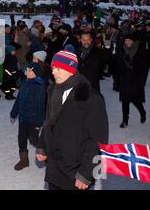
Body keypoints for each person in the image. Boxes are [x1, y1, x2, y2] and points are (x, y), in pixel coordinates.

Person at [36, 50, 109, 190]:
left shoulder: (91, 99)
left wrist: (87, 173)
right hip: (54, 167)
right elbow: (49, 122)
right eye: (53, 68)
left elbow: (98, 141)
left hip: (76, 172)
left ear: (71, 70)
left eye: (58, 69)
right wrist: (42, 146)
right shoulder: (53, 91)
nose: (54, 73)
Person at [10, 63, 46, 171]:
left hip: (33, 119)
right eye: (26, 70)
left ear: (35, 73)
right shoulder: (24, 82)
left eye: (29, 70)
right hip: (23, 117)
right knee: (21, 138)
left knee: (33, 139)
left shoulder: (39, 85)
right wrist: (14, 113)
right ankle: (24, 160)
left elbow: (40, 105)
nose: (26, 71)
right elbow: (18, 99)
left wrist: (38, 123)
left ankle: (46, 152)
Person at [116, 33, 148, 128]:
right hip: (125, 78)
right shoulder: (122, 50)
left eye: (129, 41)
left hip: (135, 79)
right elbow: (118, 65)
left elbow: (143, 66)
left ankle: (142, 112)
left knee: (135, 100)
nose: (127, 42)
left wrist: (132, 62)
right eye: (126, 40)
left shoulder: (139, 51)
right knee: (125, 100)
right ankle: (125, 120)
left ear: (134, 42)